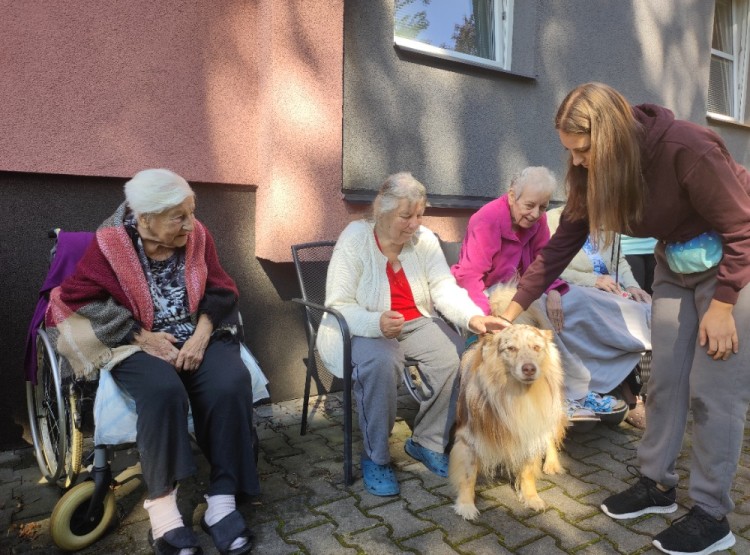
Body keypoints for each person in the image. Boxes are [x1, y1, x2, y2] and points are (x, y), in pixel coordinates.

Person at [498, 82, 750, 555]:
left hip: (736, 265)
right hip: (676, 262)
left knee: (715, 391)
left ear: (610, 138)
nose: (575, 160)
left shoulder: (685, 148)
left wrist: (723, 307)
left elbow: (742, 226)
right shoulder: (592, 174)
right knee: (665, 382)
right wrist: (510, 313)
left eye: (582, 149)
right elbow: (558, 250)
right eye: (568, 151)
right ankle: (656, 485)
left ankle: (712, 515)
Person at [46, 169, 258, 555]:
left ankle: (222, 500)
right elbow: (80, 298)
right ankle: (163, 510)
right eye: (179, 216)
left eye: (191, 212)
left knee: (230, 383)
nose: (190, 224)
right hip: (137, 338)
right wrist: (141, 336)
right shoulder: (109, 244)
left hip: (196, 331)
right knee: (162, 392)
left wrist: (202, 334)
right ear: (145, 219)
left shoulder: (199, 237)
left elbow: (222, 287)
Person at [315, 172, 504, 497]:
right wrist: (375, 324)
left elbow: (443, 288)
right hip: (365, 325)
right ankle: (375, 456)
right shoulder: (356, 238)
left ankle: (427, 442)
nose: (415, 223)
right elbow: (339, 304)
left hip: (413, 321)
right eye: (407, 216)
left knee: (456, 354)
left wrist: (474, 317)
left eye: (419, 214)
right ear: (381, 210)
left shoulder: (424, 240)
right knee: (380, 362)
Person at [450, 166, 627, 428]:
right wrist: (484, 317)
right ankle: (569, 393)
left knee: (574, 303)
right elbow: (469, 276)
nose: (535, 214)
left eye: (543, 208)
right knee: (540, 318)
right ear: (512, 196)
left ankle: (599, 380)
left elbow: (544, 260)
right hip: (488, 295)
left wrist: (554, 287)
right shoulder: (487, 219)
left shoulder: (537, 221)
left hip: (525, 290)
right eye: (529, 205)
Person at [546, 205, 652, 424]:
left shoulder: (607, 222)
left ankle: (643, 391)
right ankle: (626, 393)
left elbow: (619, 262)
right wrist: (593, 281)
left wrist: (633, 286)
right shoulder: (553, 220)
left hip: (610, 290)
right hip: (579, 287)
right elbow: (550, 265)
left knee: (648, 310)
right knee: (606, 316)